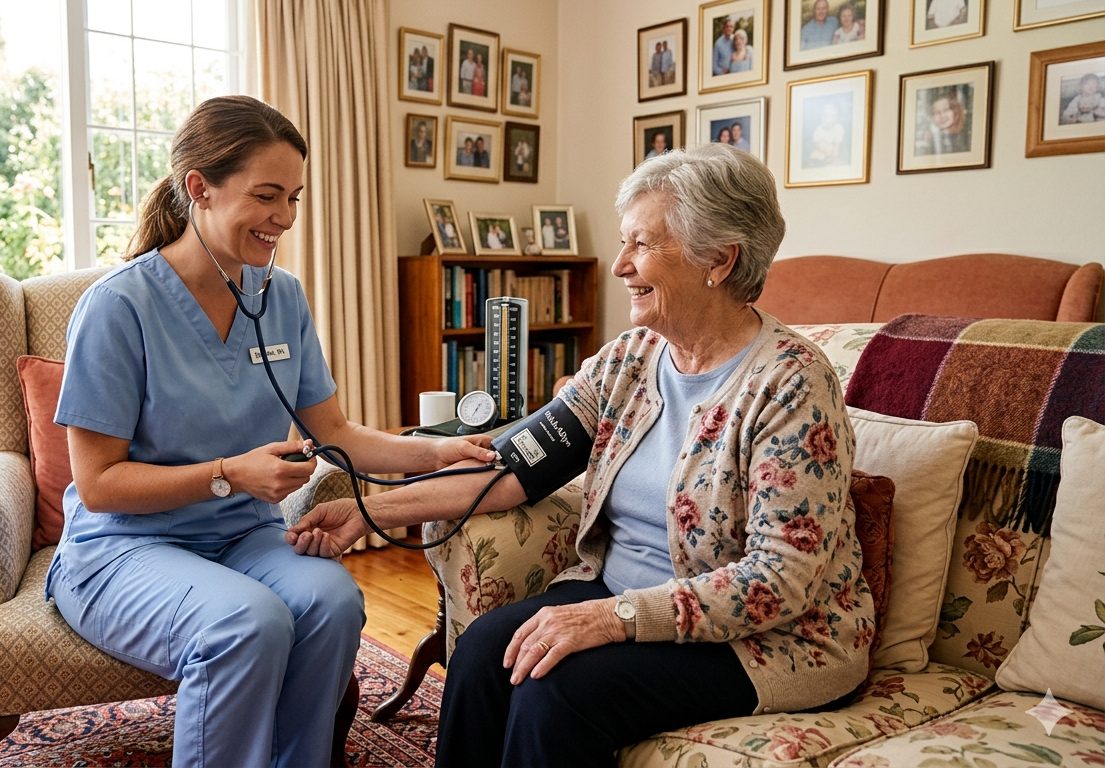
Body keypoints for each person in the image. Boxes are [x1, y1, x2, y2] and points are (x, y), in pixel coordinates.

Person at [288, 143, 874, 768]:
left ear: (719, 260)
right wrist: (368, 510)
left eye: (642, 245)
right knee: (486, 650)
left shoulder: (791, 383)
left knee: (555, 694)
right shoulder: (629, 360)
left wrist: (614, 617)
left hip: (767, 639)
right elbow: (509, 469)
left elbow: (778, 581)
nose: (620, 264)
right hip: (624, 597)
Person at [47, 95, 495, 768]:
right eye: (266, 196)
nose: (284, 218)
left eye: (293, 197)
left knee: (333, 599)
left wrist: (437, 450)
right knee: (244, 622)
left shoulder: (279, 295)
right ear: (198, 188)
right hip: (123, 551)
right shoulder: (117, 308)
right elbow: (99, 485)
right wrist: (230, 473)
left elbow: (337, 430)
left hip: (240, 537)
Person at [917, 88, 971, 154]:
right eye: (937, 112)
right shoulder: (929, 137)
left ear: (955, 111)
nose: (942, 116)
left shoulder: (966, 135)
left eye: (946, 110)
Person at [810, 101, 845, 166]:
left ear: (837, 117)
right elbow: (818, 145)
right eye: (825, 116)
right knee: (814, 155)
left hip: (833, 151)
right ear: (820, 116)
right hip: (821, 151)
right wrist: (826, 151)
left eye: (832, 116)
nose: (828, 120)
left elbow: (837, 145)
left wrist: (834, 154)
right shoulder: (818, 129)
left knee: (837, 161)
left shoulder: (838, 128)